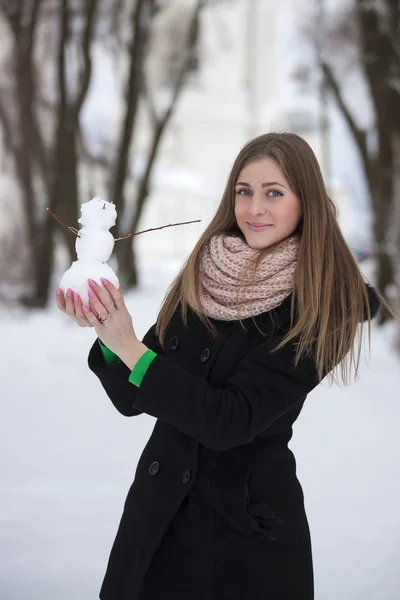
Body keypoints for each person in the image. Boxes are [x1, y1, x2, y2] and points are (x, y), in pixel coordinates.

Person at [56, 132, 383, 600]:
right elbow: (132, 397)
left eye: (275, 192)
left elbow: (229, 420)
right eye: (243, 191)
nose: (255, 208)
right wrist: (109, 336)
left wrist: (128, 345)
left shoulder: (320, 308)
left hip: (243, 540)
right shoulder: (206, 274)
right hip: (159, 524)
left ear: (305, 202)